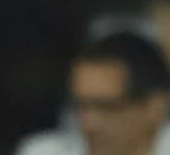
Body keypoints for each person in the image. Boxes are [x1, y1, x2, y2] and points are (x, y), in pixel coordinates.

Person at [16, 31, 170, 155]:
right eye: (80, 106)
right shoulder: (42, 151)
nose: (89, 124)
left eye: (107, 107)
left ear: (154, 107)